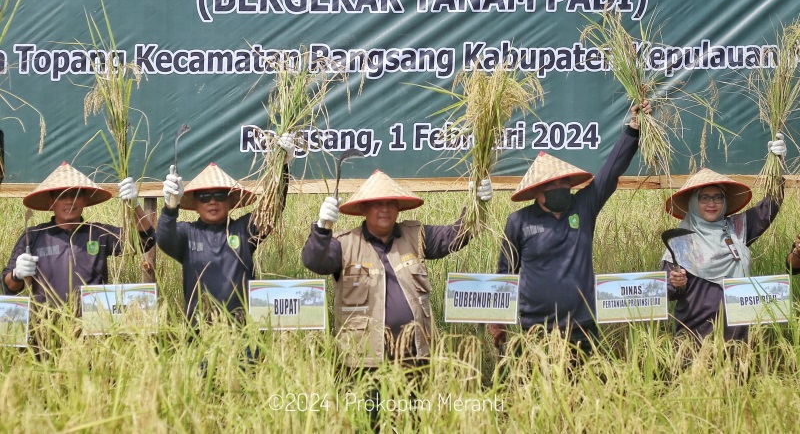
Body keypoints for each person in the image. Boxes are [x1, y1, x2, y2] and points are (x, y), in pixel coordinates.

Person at [488, 101, 650, 354]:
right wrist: (497, 319)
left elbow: (611, 171)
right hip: (535, 330)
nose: (559, 188)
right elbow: (504, 274)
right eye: (551, 185)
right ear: (536, 191)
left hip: (582, 327)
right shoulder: (519, 221)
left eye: (564, 183)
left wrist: (633, 130)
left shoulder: (583, 207)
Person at [302, 169, 493, 367]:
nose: (385, 209)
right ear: (364, 209)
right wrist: (322, 228)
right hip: (364, 361)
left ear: (398, 208)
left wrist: (476, 203)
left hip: (415, 355)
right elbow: (314, 261)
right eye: (377, 204)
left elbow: (457, 235)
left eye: (390, 203)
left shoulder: (417, 236)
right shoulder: (344, 244)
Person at [663, 138, 789, 342]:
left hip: (736, 336)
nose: (711, 203)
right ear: (694, 203)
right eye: (704, 197)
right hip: (694, 336)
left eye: (717, 197)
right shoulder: (679, 241)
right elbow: (667, 291)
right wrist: (676, 283)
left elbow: (769, 207)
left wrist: (778, 166)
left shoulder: (737, 229)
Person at [157, 136, 294, 323]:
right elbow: (164, 239)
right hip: (199, 336)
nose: (212, 201)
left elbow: (272, 208)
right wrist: (170, 208)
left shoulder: (245, 231)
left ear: (231, 200)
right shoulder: (186, 234)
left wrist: (282, 166)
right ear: (195, 204)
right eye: (205, 196)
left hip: (243, 333)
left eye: (220, 195)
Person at [2, 162, 155, 306]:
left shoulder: (99, 234)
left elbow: (145, 241)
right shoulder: (33, 236)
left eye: (76, 195)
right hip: (46, 329)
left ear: (85, 199)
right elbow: (8, 287)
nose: (70, 201)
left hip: (93, 326)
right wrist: (17, 274)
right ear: (51, 202)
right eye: (62, 195)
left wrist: (134, 205)